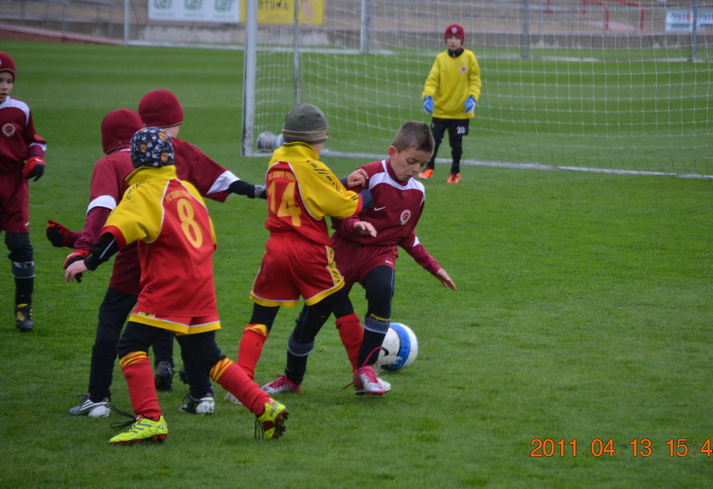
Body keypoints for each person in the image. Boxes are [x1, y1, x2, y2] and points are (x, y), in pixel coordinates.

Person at [64, 127, 288, 444]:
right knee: (208, 356)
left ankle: (149, 419)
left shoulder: (141, 192)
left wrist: (88, 261)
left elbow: (116, 232)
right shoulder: (188, 189)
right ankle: (265, 406)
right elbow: (211, 239)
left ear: (136, 160)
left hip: (169, 285)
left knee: (130, 346)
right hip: (202, 284)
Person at [49, 90, 263, 417]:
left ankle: (106, 400)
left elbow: (106, 218)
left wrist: (82, 252)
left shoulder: (117, 166)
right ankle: (205, 394)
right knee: (189, 331)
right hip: (183, 261)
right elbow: (217, 182)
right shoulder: (177, 158)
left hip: (135, 257)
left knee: (116, 326)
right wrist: (257, 191)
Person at [263, 121, 456, 396]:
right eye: (411, 161)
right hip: (343, 251)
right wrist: (355, 225)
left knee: (382, 290)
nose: (415, 169)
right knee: (313, 316)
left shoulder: (417, 193)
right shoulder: (369, 175)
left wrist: (434, 267)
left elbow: (406, 236)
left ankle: (365, 370)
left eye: (422, 163)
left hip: (380, 253)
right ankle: (291, 378)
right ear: (393, 152)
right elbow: (338, 212)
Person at [230, 103, 383, 399]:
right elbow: (343, 206)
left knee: (261, 317)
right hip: (308, 251)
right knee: (342, 308)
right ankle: (362, 374)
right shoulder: (313, 167)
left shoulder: (276, 160)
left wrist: (339, 182)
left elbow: (306, 190)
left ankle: (241, 383)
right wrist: (365, 196)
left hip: (275, 250)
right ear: (317, 139)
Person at [0, 51, 46, 332]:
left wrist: (37, 157)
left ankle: (23, 306)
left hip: (14, 185)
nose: (4, 86)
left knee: (20, 246)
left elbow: (34, 140)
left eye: (8, 81)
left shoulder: (20, 110)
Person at [419, 24, 482, 184]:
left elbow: (475, 80)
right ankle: (429, 168)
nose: (453, 41)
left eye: (456, 38)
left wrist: (472, 98)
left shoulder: (469, 57)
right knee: (433, 142)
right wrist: (427, 97)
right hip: (440, 111)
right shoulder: (440, 59)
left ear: (461, 40)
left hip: (460, 112)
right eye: (450, 38)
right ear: (446, 40)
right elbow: (432, 80)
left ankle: (455, 172)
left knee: (456, 144)